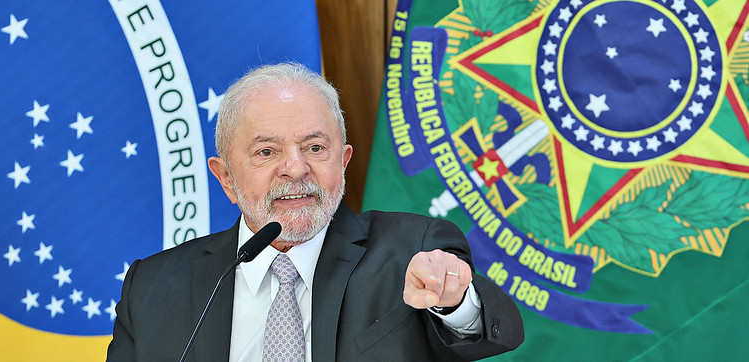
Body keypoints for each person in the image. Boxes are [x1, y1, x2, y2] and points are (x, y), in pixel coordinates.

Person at [106, 62, 523, 361]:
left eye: (315, 148)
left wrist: (453, 301)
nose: (296, 167)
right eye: (267, 151)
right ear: (226, 178)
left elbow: (485, 333)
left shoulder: (409, 251)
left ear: (342, 163)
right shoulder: (154, 287)